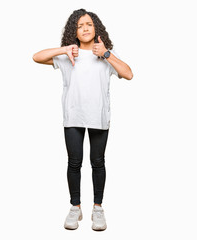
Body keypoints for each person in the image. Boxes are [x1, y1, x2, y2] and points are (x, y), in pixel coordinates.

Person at [32, 8, 133, 231]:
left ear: (95, 27)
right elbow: (36, 57)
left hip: (99, 116)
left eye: (88, 24)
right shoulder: (69, 55)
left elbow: (128, 73)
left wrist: (106, 53)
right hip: (73, 117)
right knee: (74, 163)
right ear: (74, 31)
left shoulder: (105, 55)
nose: (85, 28)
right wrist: (65, 49)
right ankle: (75, 207)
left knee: (98, 163)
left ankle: (98, 208)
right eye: (79, 25)